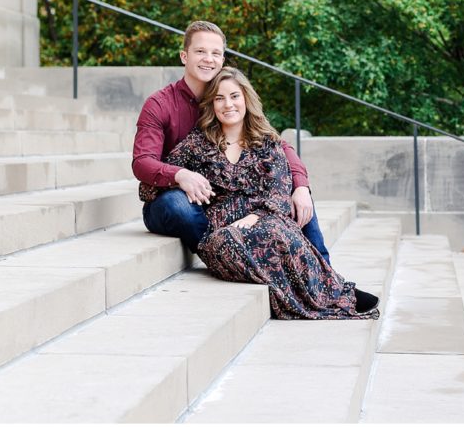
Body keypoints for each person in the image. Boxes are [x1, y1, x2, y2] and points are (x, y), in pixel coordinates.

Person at [160, 66, 379, 319]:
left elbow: (278, 189)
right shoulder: (196, 143)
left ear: (246, 99)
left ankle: (334, 291)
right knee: (233, 240)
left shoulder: (267, 142)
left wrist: (255, 217)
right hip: (222, 230)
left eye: (234, 96)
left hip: (264, 217)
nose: (227, 104)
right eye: (219, 98)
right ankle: (330, 294)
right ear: (211, 104)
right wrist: (183, 179)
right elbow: (154, 182)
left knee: (276, 231)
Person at [133, 21, 331, 264]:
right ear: (184, 56)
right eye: (200, 51)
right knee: (179, 205)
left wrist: (301, 185)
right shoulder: (160, 104)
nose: (208, 59)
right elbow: (142, 163)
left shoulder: (227, 96)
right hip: (175, 199)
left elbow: (276, 145)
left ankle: (327, 272)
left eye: (215, 53)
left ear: (223, 59)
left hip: (222, 199)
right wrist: (180, 175)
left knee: (295, 193)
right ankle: (226, 258)